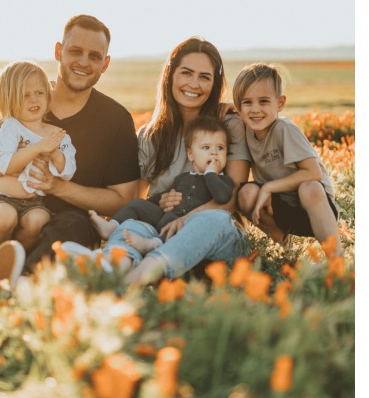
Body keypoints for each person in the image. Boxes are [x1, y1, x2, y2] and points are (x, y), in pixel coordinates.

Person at [0, 14, 140, 288]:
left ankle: (17, 283)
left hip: (63, 230)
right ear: (58, 51)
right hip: (2, 220)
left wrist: (57, 187)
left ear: (105, 64)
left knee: (75, 226)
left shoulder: (116, 119)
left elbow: (123, 200)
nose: (83, 62)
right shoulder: (17, 100)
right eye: (75, 51)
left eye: (94, 56)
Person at [76, 37, 251, 285]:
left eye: (204, 77)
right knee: (133, 225)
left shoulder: (229, 126)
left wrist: (184, 220)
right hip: (161, 233)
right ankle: (111, 271)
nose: (194, 84)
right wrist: (161, 202)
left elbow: (231, 200)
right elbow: (138, 198)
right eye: (186, 73)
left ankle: (135, 278)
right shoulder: (150, 135)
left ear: (214, 84)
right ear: (170, 75)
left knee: (212, 219)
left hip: (215, 243)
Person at [232, 62, 340, 256]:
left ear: (280, 103)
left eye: (264, 101)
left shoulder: (284, 129)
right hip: (279, 208)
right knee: (245, 193)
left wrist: (268, 187)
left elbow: (313, 173)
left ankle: (336, 258)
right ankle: (281, 240)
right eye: (247, 102)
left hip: (314, 208)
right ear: (239, 106)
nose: (255, 109)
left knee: (310, 188)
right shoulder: (245, 130)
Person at [89, 114, 233, 254]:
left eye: (220, 148)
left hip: (188, 225)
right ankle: (112, 226)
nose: (214, 153)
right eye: (206, 148)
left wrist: (210, 173)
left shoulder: (223, 181)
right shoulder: (183, 178)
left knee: (174, 228)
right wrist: (150, 205)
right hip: (166, 217)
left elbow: (222, 197)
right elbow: (161, 197)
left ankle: (154, 244)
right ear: (191, 154)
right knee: (138, 204)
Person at [0, 60, 76, 252]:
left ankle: (16, 258)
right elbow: (5, 166)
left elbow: (67, 172)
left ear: (48, 96)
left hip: (33, 202)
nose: (34, 100)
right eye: (25, 95)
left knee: (39, 220)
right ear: (9, 100)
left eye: (39, 93)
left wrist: (55, 153)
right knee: (4, 218)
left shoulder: (57, 134)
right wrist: (37, 148)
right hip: (2, 198)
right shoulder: (11, 127)